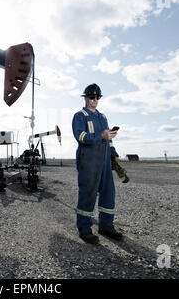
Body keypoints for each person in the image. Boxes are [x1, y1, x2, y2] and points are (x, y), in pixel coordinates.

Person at [72, 83, 123, 244]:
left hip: (104, 161)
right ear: (85, 98)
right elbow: (80, 136)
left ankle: (106, 226)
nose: (94, 100)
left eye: (97, 98)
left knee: (108, 193)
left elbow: (108, 139)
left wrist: (113, 154)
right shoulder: (80, 116)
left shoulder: (103, 117)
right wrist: (100, 136)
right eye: (91, 97)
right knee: (88, 193)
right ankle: (84, 229)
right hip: (88, 161)